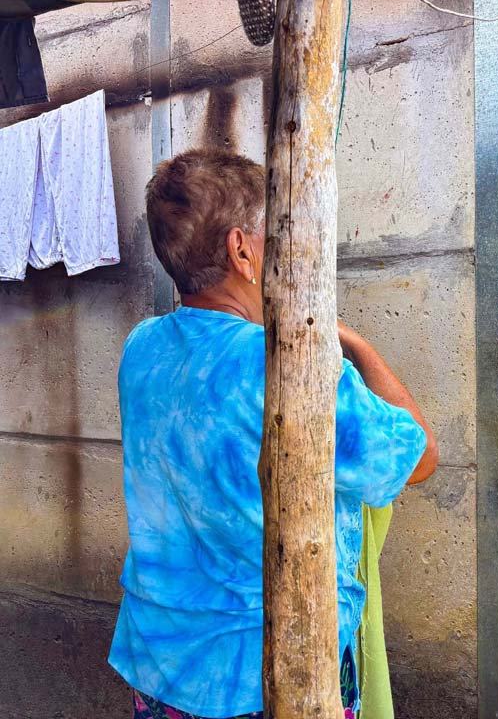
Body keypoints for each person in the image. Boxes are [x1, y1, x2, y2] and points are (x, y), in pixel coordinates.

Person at [108, 148, 438, 719]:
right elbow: (421, 457)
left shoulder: (141, 348)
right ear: (242, 250)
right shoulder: (284, 365)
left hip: (160, 659)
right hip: (267, 674)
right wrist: (354, 343)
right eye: (275, 234)